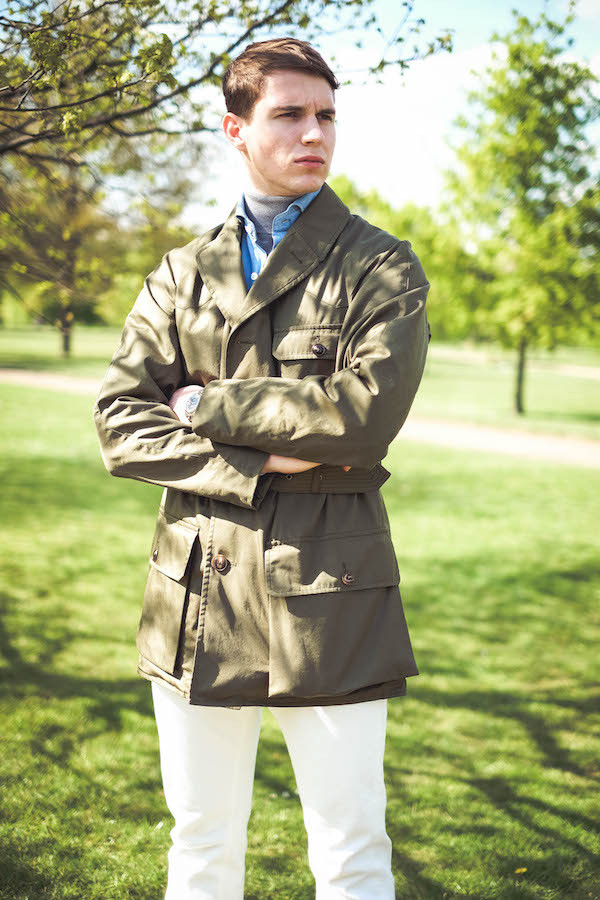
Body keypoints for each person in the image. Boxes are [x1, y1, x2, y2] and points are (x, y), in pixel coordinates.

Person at [94, 36, 430, 900]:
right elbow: (121, 423)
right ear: (235, 128)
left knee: (351, 848)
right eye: (288, 114)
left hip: (330, 590)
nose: (314, 133)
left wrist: (206, 406)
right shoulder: (179, 272)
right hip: (196, 593)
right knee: (202, 842)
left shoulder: (380, 264)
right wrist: (263, 460)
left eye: (325, 115)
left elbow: (363, 418)